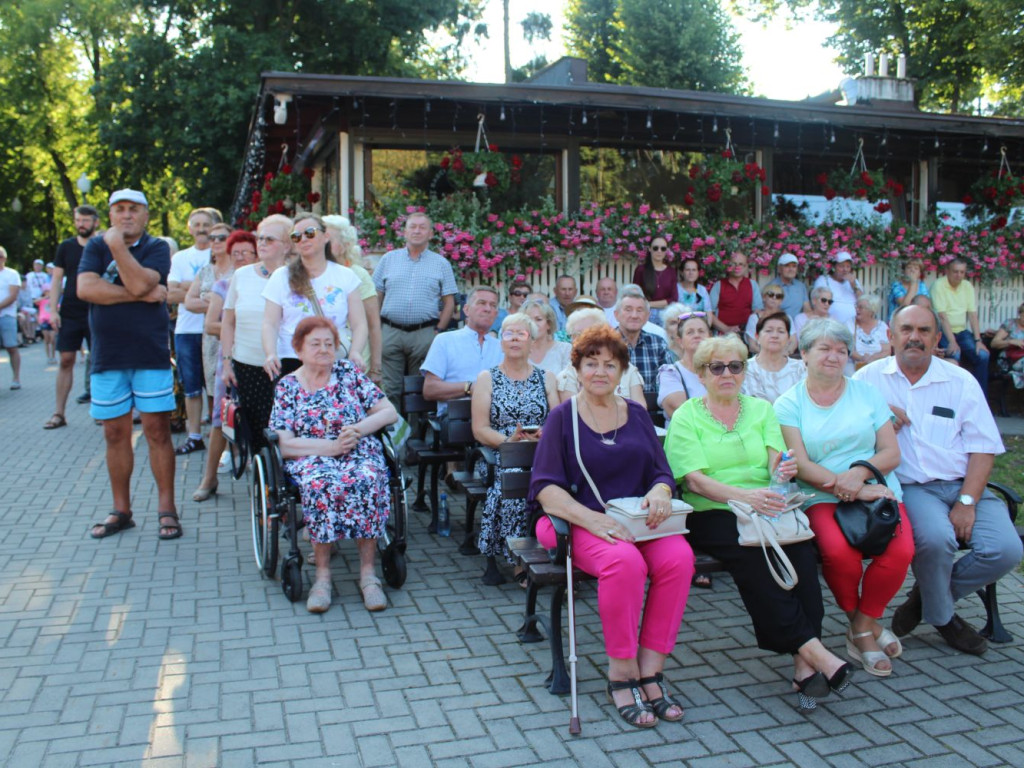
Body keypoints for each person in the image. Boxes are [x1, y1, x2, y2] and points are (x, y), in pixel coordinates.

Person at [664, 334, 853, 711]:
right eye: (717, 367)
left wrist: (780, 470)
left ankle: (803, 666)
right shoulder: (686, 414)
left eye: (735, 366)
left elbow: (774, 459)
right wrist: (745, 497)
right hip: (713, 510)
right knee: (755, 561)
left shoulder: (761, 409)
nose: (727, 373)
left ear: (744, 371)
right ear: (702, 374)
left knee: (801, 556)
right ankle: (818, 654)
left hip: (766, 504)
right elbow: (694, 479)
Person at [529, 324, 694, 728]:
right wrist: (593, 520)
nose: (600, 372)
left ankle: (651, 669)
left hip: (635, 521)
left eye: (610, 364)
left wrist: (659, 492)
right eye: (591, 364)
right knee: (625, 563)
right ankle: (621, 673)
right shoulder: (561, 419)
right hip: (572, 520)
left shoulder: (636, 414)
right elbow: (545, 489)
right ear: (578, 369)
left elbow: (661, 471)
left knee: (679, 557)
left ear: (622, 371)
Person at [854, 305, 1023, 655]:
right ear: (891, 335)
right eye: (906, 329)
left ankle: (925, 599)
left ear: (937, 337)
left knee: (1006, 550)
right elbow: (842, 429)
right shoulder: (867, 381)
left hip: (964, 484)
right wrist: (879, 415)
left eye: (924, 330)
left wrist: (966, 502)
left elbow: (982, 449)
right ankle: (945, 619)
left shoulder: (960, 382)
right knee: (935, 539)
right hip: (912, 487)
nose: (914, 337)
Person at [775, 318, 913, 677]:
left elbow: (891, 452)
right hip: (821, 495)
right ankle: (866, 632)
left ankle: (862, 626)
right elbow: (800, 463)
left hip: (876, 491)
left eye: (841, 350)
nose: (834, 357)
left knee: (900, 553)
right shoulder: (788, 403)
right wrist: (843, 485)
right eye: (824, 348)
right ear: (803, 353)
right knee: (839, 555)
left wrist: (859, 474)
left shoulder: (866, 393)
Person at [269, 316, 398, 614]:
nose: (324, 349)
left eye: (330, 343)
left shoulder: (349, 373)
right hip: (311, 455)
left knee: (367, 477)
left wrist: (360, 429)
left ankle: (368, 575)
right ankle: (322, 578)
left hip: (357, 448)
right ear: (298, 349)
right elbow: (285, 443)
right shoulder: (288, 386)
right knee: (321, 483)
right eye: (315, 343)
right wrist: (329, 448)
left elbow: (388, 411)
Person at [77, 189, 180, 540]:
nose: (126, 216)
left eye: (133, 209)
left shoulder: (156, 247)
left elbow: (138, 279)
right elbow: (86, 289)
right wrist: (140, 294)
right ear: (110, 215)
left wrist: (117, 247)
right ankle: (121, 510)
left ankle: (167, 509)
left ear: (146, 215)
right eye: (118, 210)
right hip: (107, 356)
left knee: (157, 432)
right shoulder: (93, 247)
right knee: (114, 434)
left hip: (149, 354)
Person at [471, 312, 558, 584]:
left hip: (542, 452)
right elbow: (480, 429)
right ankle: (519, 561)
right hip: (502, 454)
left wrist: (545, 435)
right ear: (502, 341)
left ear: (532, 341)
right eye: (509, 333)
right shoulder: (487, 378)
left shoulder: (547, 378)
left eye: (522, 333)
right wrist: (511, 442)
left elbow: (558, 420)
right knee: (515, 480)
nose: (515, 338)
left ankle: (561, 556)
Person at [192, 231, 258, 501]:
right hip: (228, 358)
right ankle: (209, 479)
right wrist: (240, 327)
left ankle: (267, 480)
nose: (242, 257)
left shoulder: (269, 282)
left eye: (247, 252)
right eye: (236, 253)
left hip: (260, 358)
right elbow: (209, 325)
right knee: (221, 417)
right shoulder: (224, 285)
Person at [262, 213, 368, 379]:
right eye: (296, 236)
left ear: (326, 236)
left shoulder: (345, 276)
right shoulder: (281, 276)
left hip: (332, 358)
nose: (303, 239)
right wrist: (270, 353)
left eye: (309, 233)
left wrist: (355, 352)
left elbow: (359, 323)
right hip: (292, 359)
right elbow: (270, 322)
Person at [221, 214, 291, 457]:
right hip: (247, 365)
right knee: (256, 428)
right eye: (259, 237)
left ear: (287, 245)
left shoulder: (296, 277)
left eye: (269, 239)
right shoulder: (241, 276)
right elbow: (228, 322)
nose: (261, 243)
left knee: (288, 427)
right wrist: (227, 363)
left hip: (288, 366)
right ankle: (266, 487)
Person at [374, 212, 457, 407]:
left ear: (430, 234)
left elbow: (449, 302)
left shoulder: (441, 263)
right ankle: (393, 434)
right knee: (389, 388)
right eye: (413, 226)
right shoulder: (388, 259)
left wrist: (438, 331)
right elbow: (376, 295)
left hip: (424, 333)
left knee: (419, 389)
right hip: (390, 332)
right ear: (405, 232)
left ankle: (416, 435)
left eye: (422, 227)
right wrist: (376, 328)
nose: (417, 231)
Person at [168, 208, 217, 455]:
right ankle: (194, 436)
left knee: (215, 385)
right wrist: (202, 292)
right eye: (196, 224)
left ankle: (218, 435)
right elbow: (171, 293)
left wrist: (189, 291)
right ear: (189, 228)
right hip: (186, 329)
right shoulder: (180, 258)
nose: (201, 228)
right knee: (191, 386)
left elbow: (223, 291)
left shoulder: (220, 253)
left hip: (216, 329)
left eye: (205, 224)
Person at [47, 205, 99, 421]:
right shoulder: (66, 247)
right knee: (66, 360)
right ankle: (59, 413)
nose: (81, 224)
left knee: (99, 362)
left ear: (95, 222)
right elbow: (57, 280)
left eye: (86, 220)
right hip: (70, 312)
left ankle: (101, 411)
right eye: (78, 220)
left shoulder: (102, 245)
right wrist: (53, 310)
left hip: (97, 310)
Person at [323, 214, 383, 387]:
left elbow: (373, 324)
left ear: (345, 246)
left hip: (355, 362)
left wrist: (376, 368)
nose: (322, 243)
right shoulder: (314, 274)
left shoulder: (358, 275)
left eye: (329, 239)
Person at [184, 221, 235, 427]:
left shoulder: (239, 268)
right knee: (212, 385)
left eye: (222, 237)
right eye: (212, 238)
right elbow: (188, 301)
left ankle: (231, 432)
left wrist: (213, 302)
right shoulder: (206, 271)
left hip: (231, 335)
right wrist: (215, 304)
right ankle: (218, 427)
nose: (215, 242)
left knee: (230, 386)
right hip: (210, 338)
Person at [421, 286, 503, 409]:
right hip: (457, 417)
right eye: (481, 303)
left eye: (493, 305)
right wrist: (470, 387)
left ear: (496, 314)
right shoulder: (445, 340)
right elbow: (430, 389)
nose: (487, 309)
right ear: (466, 309)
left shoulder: (502, 347)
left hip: (496, 416)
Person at [557, 308, 644, 403]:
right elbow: (571, 412)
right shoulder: (567, 375)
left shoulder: (627, 369)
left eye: (589, 333)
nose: (582, 339)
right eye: (577, 335)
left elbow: (640, 410)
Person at [930, 258, 990, 392]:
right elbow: (942, 316)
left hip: (962, 331)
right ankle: (954, 397)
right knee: (954, 355)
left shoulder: (967, 286)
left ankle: (980, 396)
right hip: (944, 331)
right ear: (947, 271)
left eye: (962, 272)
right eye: (955, 272)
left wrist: (978, 340)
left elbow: (972, 315)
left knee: (983, 355)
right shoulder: (939, 285)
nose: (959, 275)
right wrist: (952, 341)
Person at [615, 284, 671, 394]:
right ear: (616, 315)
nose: (634, 315)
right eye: (628, 309)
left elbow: (668, 383)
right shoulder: (604, 343)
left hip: (652, 409)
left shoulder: (658, 344)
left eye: (640, 310)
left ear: (647, 316)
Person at [657, 306, 709, 420]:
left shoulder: (721, 369)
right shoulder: (670, 373)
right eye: (690, 332)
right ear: (680, 341)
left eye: (701, 331)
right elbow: (680, 411)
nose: (697, 335)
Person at [742, 312, 806, 403]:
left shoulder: (801, 368)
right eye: (769, 331)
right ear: (757, 337)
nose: (775, 336)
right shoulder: (744, 369)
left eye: (781, 331)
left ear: (788, 338)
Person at [710, 252, 762, 334]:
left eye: (741, 264)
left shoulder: (753, 285)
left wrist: (748, 329)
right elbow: (709, 313)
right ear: (728, 266)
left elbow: (758, 311)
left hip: (746, 333)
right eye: (734, 264)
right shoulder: (719, 285)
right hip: (723, 333)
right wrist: (726, 329)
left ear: (746, 267)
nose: (737, 267)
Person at [632, 237, 678, 326]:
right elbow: (635, 294)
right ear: (650, 249)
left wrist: (649, 304)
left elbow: (673, 299)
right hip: (646, 314)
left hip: (665, 315)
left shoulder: (671, 272)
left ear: (666, 251)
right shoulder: (641, 270)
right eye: (655, 248)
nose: (659, 251)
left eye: (663, 248)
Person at [521, 298, 572, 374]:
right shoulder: (518, 350)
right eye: (528, 320)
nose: (533, 324)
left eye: (538, 319)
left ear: (548, 323)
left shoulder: (565, 350)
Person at [813, 251, 862, 326]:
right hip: (830, 325)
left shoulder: (854, 282)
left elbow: (863, 302)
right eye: (841, 266)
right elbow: (817, 303)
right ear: (834, 267)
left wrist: (854, 286)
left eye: (848, 266)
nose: (845, 269)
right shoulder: (823, 280)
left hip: (853, 326)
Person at [744, 284, 788, 355]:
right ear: (764, 297)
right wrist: (771, 355)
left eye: (778, 296)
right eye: (771, 295)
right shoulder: (754, 318)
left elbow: (793, 342)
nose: (774, 298)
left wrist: (784, 354)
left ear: (781, 301)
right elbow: (752, 346)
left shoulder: (787, 318)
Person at [0, 247, 22, 389]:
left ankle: (16, 378)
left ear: (4, 258)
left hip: (7, 315)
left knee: (11, 347)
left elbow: (13, 296)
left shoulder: (12, 274)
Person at [850, 295, 891, 370]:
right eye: (856, 306)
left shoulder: (882, 326)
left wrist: (873, 358)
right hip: (855, 365)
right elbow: (848, 349)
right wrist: (862, 358)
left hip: (877, 365)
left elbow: (887, 351)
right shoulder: (850, 324)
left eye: (861, 307)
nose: (857, 309)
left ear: (871, 311)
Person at [767, 253, 811, 321]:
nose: (791, 269)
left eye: (794, 266)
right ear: (779, 268)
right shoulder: (771, 288)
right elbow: (769, 314)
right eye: (787, 266)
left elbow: (807, 310)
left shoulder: (801, 286)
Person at [991, 302, 1024, 389]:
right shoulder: (1010, 324)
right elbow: (994, 343)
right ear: (1020, 314)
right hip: (1009, 360)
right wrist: (1011, 341)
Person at [676, 257, 715, 327]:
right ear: (682, 272)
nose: (691, 273)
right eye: (688, 270)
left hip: (699, 327)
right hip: (680, 328)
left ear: (698, 273)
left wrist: (706, 329)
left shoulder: (702, 290)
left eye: (694, 270)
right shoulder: (675, 289)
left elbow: (708, 313)